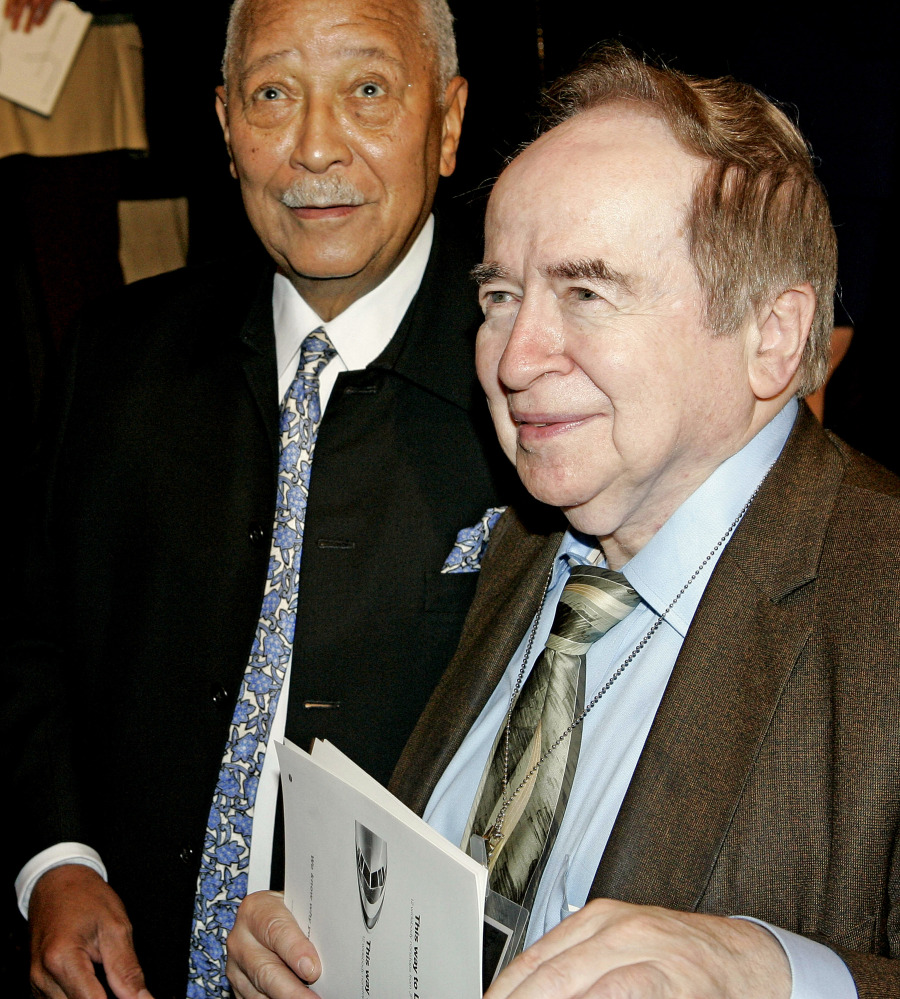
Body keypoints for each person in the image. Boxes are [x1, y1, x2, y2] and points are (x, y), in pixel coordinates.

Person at [226, 44, 900, 999]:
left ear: (773, 334)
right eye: (501, 296)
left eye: (586, 291)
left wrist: (778, 975)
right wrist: (322, 941)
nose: (512, 357)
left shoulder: (882, 598)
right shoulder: (519, 545)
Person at [6, 0, 518, 996]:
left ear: (448, 124)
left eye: (367, 91)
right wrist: (57, 862)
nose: (314, 146)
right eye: (274, 94)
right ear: (225, 124)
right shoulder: (116, 359)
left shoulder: (538, 395)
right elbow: (31, 634)